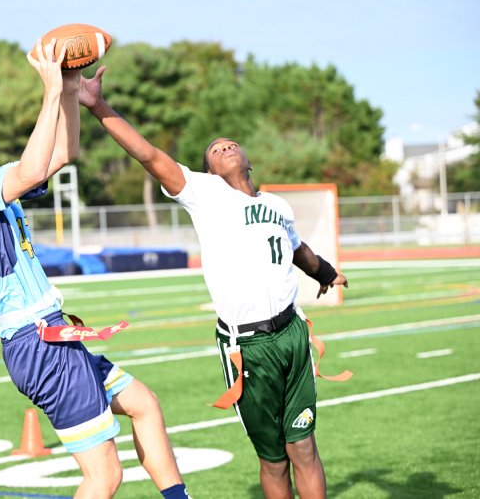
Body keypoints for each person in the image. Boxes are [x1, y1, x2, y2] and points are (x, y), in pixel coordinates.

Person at [0, 39, 190, 499]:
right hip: (37, 343)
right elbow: (33, 165)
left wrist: (68, 91)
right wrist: (47, 92)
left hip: (50, 335)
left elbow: (60, 154)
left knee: (144, 404)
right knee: (103, 477)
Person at [79, 65, 348, 499]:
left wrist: (327, 273)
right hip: (248, 346)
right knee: (274, 459)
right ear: (207, 169)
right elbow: (147, 154)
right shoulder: (204, 194)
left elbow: (299, 250)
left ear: (248, 160)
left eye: (231, 144)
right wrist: (97, 106)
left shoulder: (278, 204)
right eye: (215, 149)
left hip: (293, 333)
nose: (224, 146)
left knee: (305, 446)